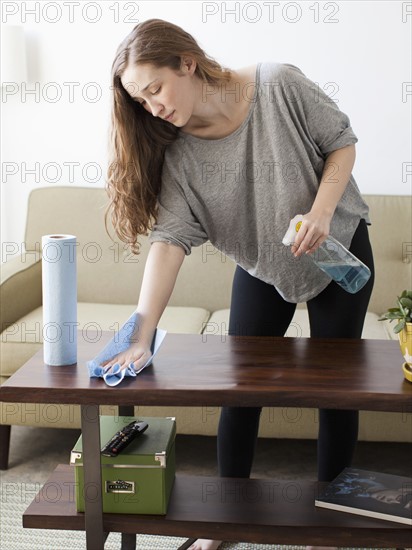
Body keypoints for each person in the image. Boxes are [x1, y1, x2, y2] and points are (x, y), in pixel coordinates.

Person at [103, 18, 375, 550]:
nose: (153, 107)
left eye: (155, 88)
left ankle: (332, 520)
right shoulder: (179, 155)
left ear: (186, 61)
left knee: (336, 393)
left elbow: (342, 144)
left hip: (337, 246)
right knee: (239, 389)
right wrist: (142, 331)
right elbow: (170, 239)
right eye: (141, 100)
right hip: (262, 265)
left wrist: (320, 212)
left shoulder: (277, 84)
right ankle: (220, 524)